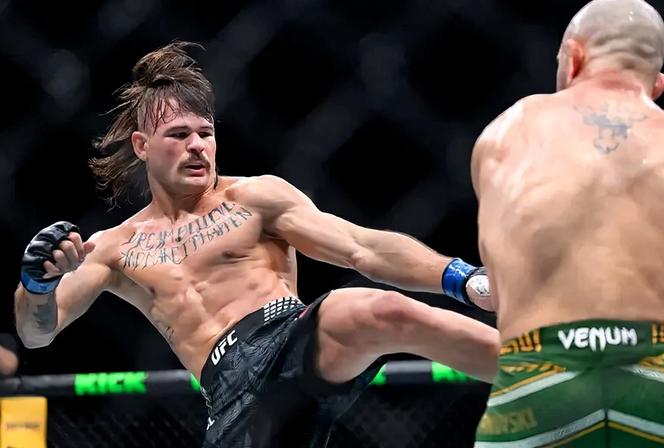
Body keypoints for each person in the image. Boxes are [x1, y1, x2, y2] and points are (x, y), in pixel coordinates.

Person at [13, 41, 500, 448]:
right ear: (142, 146)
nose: (197, 146)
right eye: (179, 135)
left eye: (205, 133)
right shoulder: (114, 247)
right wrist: (37, 284)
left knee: (372, 310)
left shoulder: (255, 197)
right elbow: (39, 332)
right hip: (229, 397)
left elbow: (360, 247)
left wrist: (463, 278)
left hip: (289, 341)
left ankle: (543, 372)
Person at [470, 0, 664, 446]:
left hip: (541, 376)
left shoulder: (509, 132)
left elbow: (505, 283)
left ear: (573, 58)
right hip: (659, 375)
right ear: (658, 83)